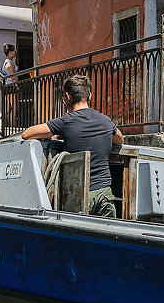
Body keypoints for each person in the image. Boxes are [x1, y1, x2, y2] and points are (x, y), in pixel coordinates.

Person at [22, 74, 124, 218]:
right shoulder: (106, 121)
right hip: (105, 195)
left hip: (80, 196)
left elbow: (27, 134)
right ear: (90, 96)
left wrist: (58, 133)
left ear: (67, 97)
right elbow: (119, 139)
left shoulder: (65, 122)